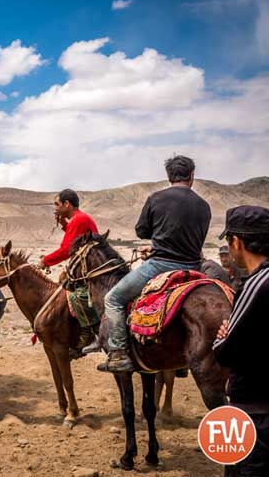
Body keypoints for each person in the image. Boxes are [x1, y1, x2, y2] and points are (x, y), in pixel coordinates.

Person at [98, 155, 211, 373]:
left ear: (169, 176)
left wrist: (159, 236)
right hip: (194, 268)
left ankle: (119, 352)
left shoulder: (156, 198)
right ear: (192, 176)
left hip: (160, 265)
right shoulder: (204, 206)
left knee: (113, 299)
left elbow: (142, 231)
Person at [213, 205, 269, 476]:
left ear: (237, 242)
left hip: (253, 414)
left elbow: (223, 352)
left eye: (228, 242)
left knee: (114, 299)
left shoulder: (257, 283)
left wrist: (223, 336)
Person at [36, 189, 98, 269]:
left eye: (57, 204)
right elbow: (78, 237)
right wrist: (64, 224)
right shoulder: (80, 217)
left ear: (66, 204)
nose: (55, 209)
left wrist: (45, 261)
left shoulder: (79, 219)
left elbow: (67, 250)